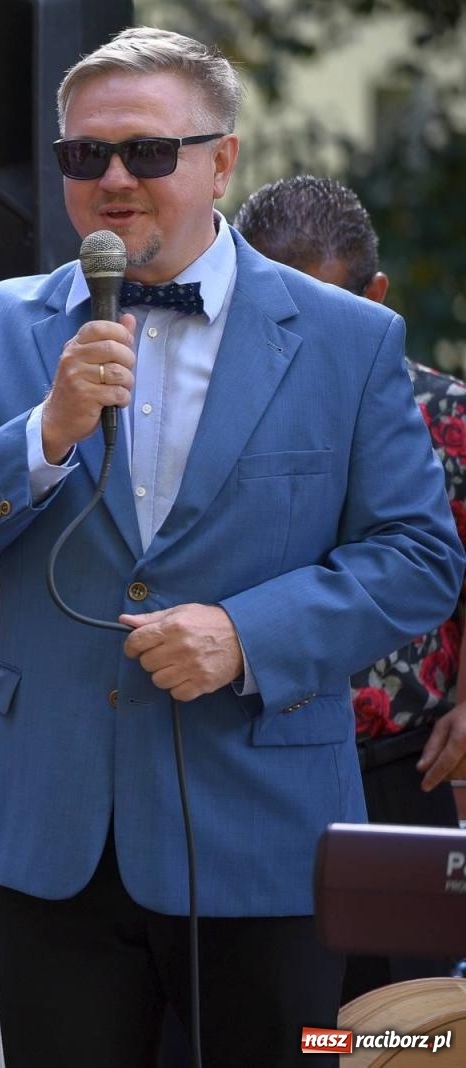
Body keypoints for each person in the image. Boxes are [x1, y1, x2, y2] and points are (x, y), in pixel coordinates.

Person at [0, 27, 463, 1068]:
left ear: (220, 160)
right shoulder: (1, 326)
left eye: (147, 152)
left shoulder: (344, 339)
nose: (113, 180)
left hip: (264, 832)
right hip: (52, 836)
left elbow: (416, 555)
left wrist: (246, 633)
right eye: (83, 156)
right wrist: (41, 435)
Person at [233, 174, 466, 998]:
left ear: (375, 295)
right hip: (245, 758)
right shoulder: (204, 415)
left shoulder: (448, 415)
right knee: (283, 1023)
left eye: (328, 303)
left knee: (401, 1028)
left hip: (400, 766)